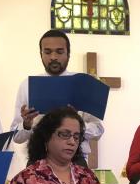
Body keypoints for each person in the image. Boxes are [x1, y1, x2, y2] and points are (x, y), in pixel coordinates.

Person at [11, 30, 104, 166]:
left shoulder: (83, 85)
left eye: (59, 52)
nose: (53, 57)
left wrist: (77, 123)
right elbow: (16, 137)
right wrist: (26, 124)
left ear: (68, 54)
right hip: (38, 159)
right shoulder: (27, 86)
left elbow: (98, 130)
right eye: (47, 52)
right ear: (41, 54)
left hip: (75, 160)